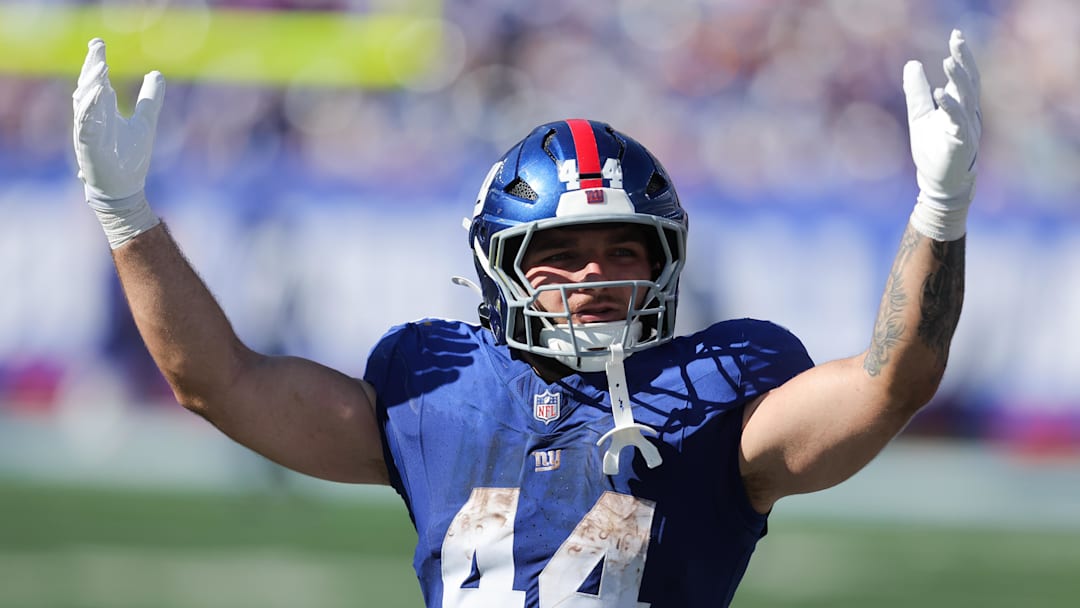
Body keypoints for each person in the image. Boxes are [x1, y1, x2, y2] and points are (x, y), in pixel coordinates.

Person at [71, 28, 980, 607]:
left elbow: (890, 381)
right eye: (563, 253)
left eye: (626, 249)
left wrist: (937, 216)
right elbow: (220, 384)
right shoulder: (440, 390)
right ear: (500, 266)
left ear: (664, 262)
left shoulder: (721, 397)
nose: (597, 273)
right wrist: (127, 218)